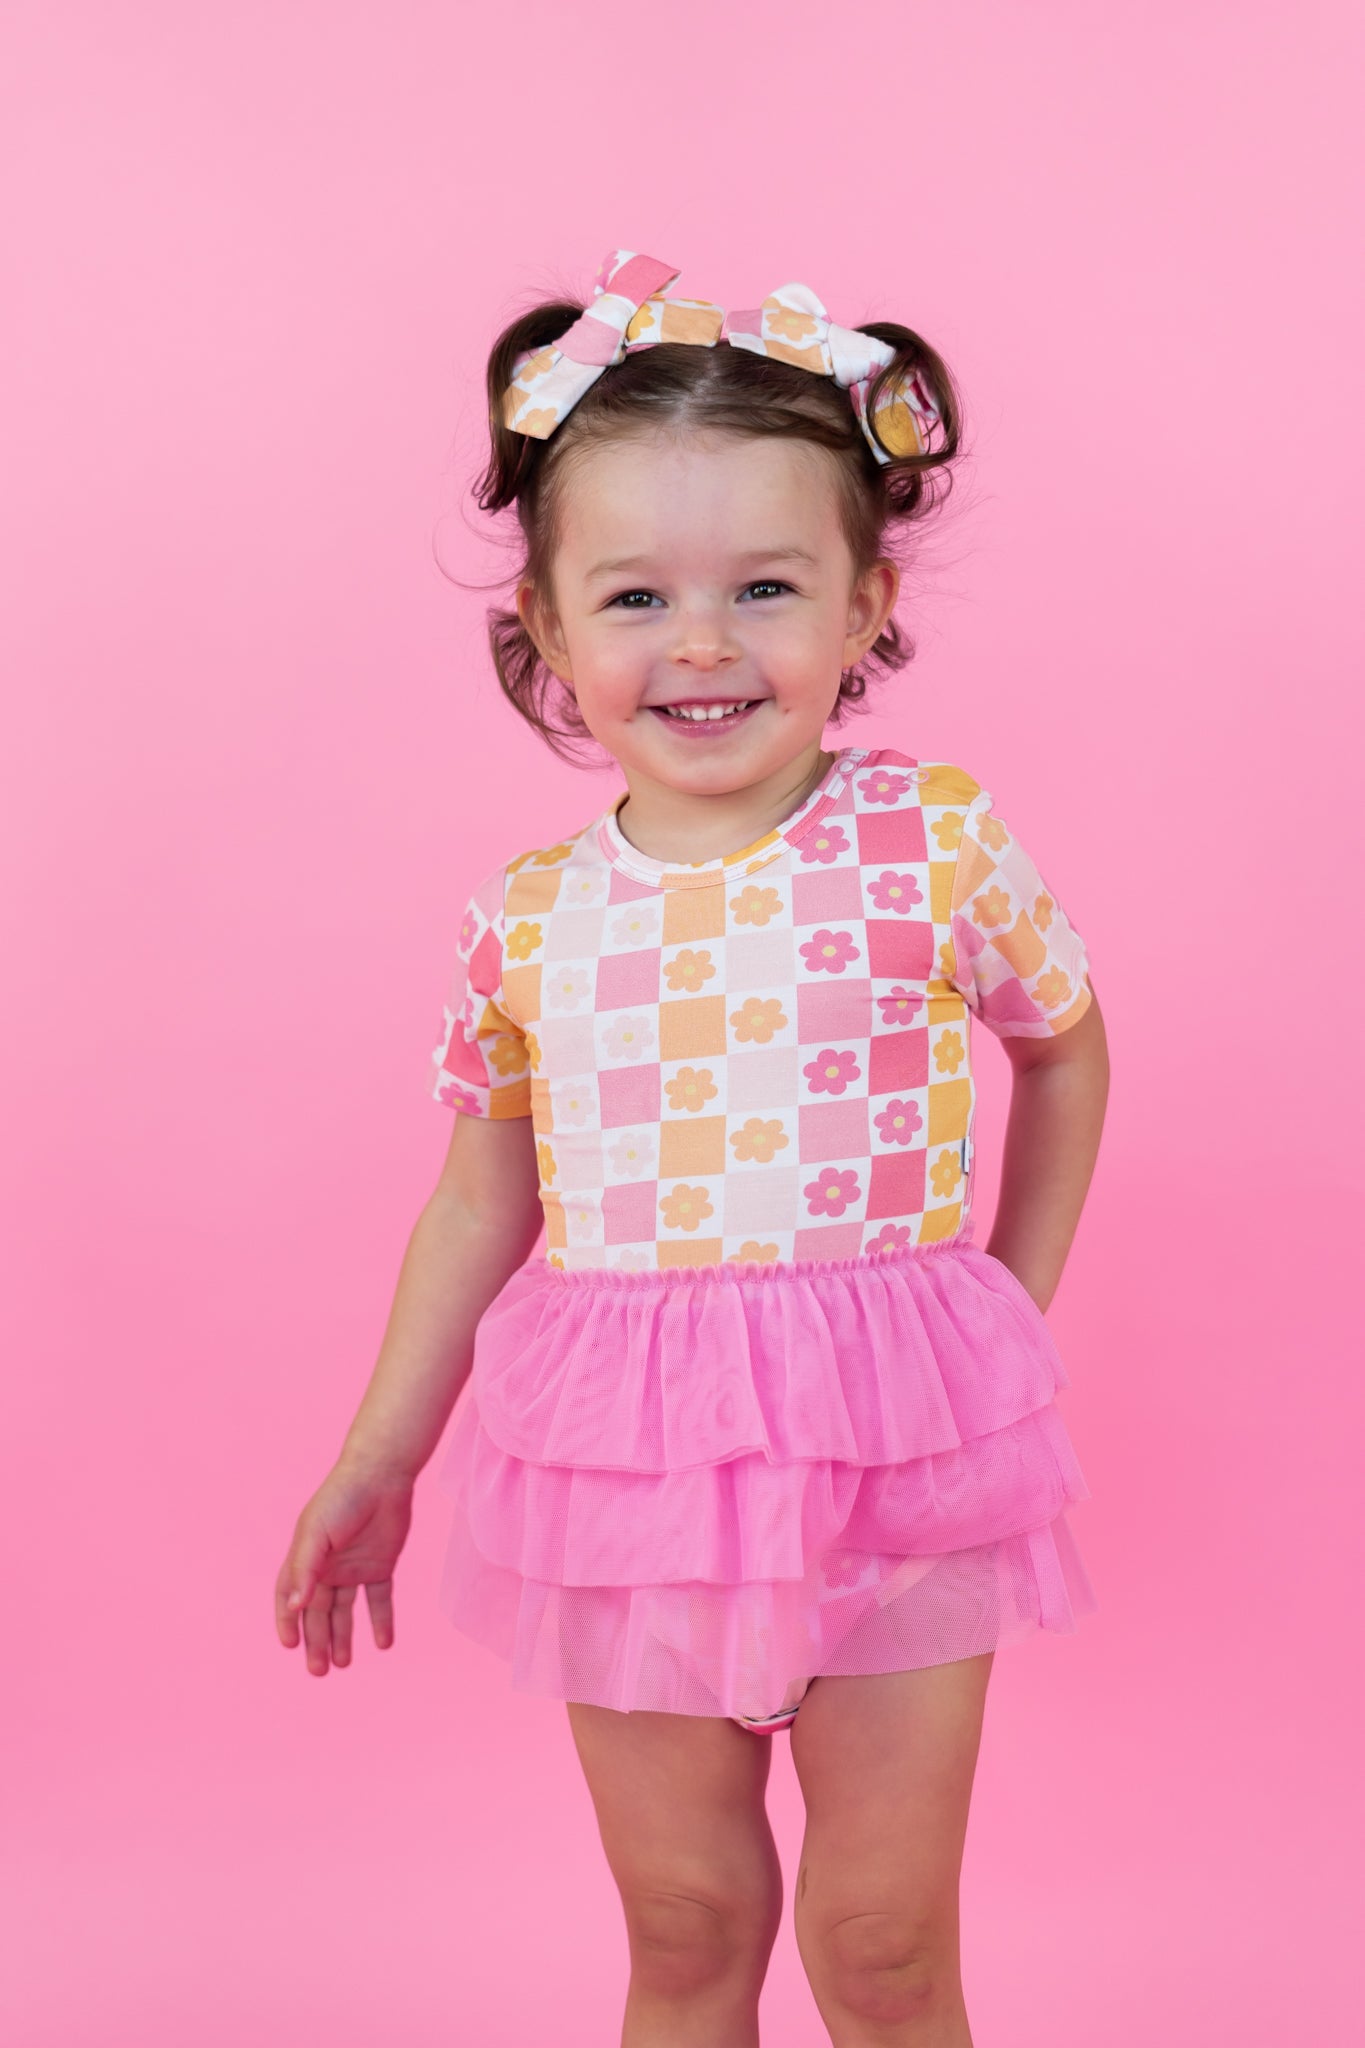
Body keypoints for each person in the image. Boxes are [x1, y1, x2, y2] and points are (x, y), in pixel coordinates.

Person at [275, 248, 1110, 2047]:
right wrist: (377, 1459)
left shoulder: (932, 840)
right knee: (685, 1921)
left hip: (897, 1454)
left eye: (767, 588)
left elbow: (1062, 1047)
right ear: (547, 627)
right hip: (629, 1471)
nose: (706, 643)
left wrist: (1003, 1314)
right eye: (639, 595)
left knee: (882, 1942)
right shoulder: (524, 919)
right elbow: (478, 1198)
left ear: (865, 604)